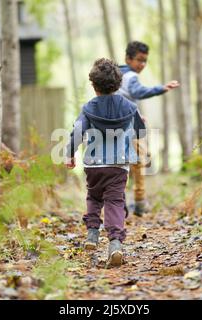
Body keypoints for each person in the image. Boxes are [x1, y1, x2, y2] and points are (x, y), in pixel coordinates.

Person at [65, 58, 146, 267]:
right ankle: (115, 244)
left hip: (93, 164)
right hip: (119, 165)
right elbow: (140, 131)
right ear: (118, 84)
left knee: (93, 196)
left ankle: (92, 234)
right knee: (115, 201)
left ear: (94, 85)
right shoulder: (129, 107)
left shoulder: (88, 108)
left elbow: (77, 132)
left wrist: (69, 153)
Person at [118, 41, 179, 216]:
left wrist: (136, 113)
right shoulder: (130, 77)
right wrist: (162, 88)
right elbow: (138, 92)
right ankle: (139, 203)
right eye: (139, 60)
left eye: (145, 61)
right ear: (128, 59)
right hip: (129, 129)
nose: (142, 65)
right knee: (138, 162)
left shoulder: (114, 75)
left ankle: (119, 203)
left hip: (116, 128)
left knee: (118, 166)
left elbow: (122, 100)